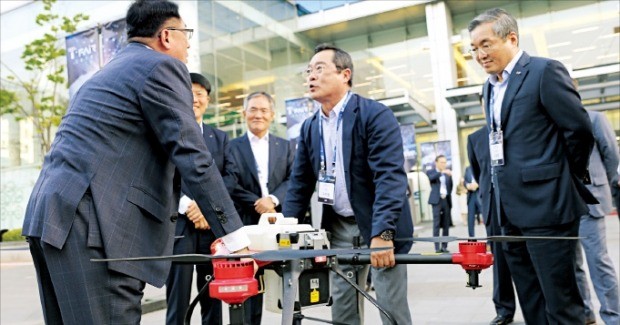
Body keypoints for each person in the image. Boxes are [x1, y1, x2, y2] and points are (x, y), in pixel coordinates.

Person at [21, 1, 250, 323]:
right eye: (187, 36)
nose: (188, 46)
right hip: (93, 225)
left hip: (53, 217)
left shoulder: (110, 73)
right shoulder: (161, 67)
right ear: (167, 36)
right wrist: (236, 238)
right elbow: (193, 155)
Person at [468, 8, 596, 324]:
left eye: (486, 44)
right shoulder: (489, 87)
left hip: (546, 207)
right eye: (474, 49)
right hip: (506, 211)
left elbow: (578, 130)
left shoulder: (544, 71)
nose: (480, 55)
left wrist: (562, 179)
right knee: (531, 300)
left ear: (511, 38)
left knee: (562, 303)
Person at [283, 43, 413, 325]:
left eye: (319, 69)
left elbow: (389, 176)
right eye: (308, 71)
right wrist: (285, 229)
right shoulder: (309, 126)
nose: (311, 77)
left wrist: (384, 234)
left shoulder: (374, 115)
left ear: (345, 74)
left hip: (377, 224)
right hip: (339, 228)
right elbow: (300, 183)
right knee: (343, 310)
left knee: (391, 308)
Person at [224, 91, 295, 325]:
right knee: (251, 286)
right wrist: (259, 203)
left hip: (280, 224)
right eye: (253, 109)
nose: (258, 115)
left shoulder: (285, 147)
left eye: (264, 110)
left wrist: (273, 200)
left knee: (288, 283)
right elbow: (230, 183)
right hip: (246, 225)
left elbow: (294, 179)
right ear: (244, 113)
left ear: (272, 115)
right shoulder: (231, 146)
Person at [165, 73, 227, 325]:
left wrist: (206, 207)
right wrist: (186, 205)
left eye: (199, 93)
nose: (194, 98)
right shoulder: (167, 134)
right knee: (177, 298)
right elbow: (162, 177)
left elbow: (228, 178)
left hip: (210, 228)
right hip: (179, 225)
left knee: (212, 296)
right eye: (188, 92)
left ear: (208, 100)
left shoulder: (219, 137)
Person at [468, 127, 517, 325]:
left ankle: (538, 307)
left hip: (520, 202)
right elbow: (477, 172)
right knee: (500, 261)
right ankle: (504, 309)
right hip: (493, 206)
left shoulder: (514, 126)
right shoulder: (475, 138)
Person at [574, 110, 620, 325]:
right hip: (565, 202)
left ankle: (613, 317)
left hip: (591, 199)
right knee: (573, 264)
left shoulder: (594, 118)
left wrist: (605, 184)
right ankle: (585, 313)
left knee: (598, 260)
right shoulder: (552, 120)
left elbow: (611, 154)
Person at [427, 155, 453, 253]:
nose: (444, 164)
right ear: (436, 162)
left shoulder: (447, 174)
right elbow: (431, 178)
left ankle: (444, 246)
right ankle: (437, 247)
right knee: (436, 224)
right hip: (436, 200)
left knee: (446, 224)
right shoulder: (431, 172)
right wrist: (441, 172)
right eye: (442, 162)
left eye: (445, 162)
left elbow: (450, 186)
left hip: (445, 200)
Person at [464, 165, 482, 236]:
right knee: (470, 219)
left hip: (480, 194)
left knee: (486, 217)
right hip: (471, 195)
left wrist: (478, 184)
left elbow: (485, 177)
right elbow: (465, 181)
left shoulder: (481, 165)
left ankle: (490, 240)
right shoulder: (468, 168)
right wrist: (467, 185)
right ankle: (472, 240)